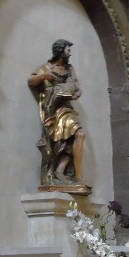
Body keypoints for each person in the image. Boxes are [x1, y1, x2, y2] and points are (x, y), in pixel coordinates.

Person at [28, 39, 85, 185]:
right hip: (52, 110)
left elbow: (77, 88)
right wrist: (43, 76)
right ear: (60, 51)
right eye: (68, 50)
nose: (70, 53)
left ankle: (77, 177)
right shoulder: (47, 67)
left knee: (79, 134)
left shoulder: (69, 69)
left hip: (66, 109)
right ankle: (58, 172)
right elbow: (31, 81)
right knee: (60, 142)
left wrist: (76, 94)